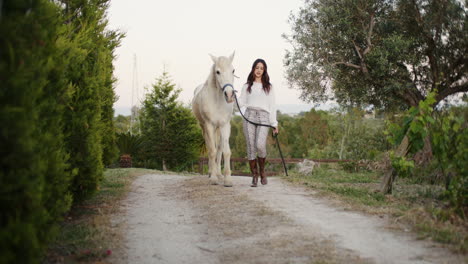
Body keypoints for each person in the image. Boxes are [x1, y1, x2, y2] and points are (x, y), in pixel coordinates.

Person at [238, 58, 278, 187]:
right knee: (250, 147)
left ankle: (262, 171)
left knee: (260, 145)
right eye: (257, 68)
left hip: (264, 117)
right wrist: (232, 98)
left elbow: (272, 106)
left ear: (264, 70)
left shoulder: (269, 87)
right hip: (249, 116)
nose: (259, 70)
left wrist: (274, 124)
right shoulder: (247, 86)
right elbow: (241, 102)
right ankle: (254, 176)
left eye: (261, 68)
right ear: (253, 69)